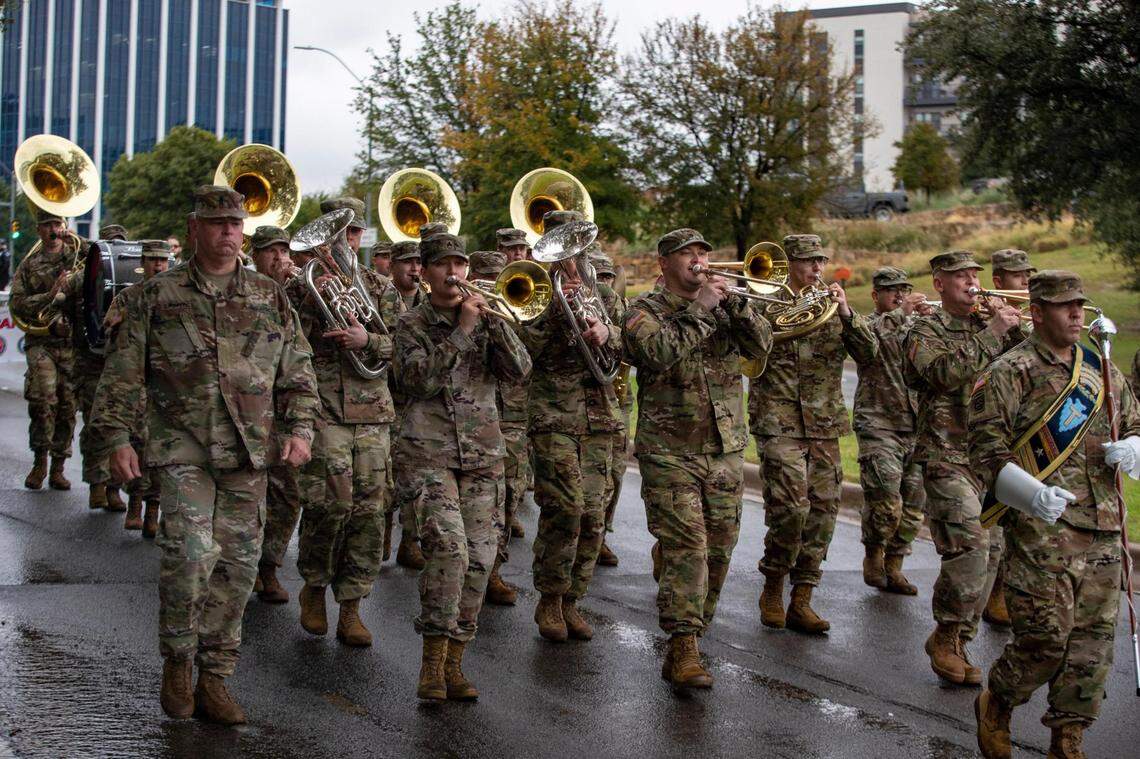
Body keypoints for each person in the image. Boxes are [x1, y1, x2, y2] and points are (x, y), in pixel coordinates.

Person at [91, 185, 318, 725]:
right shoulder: (157, 296)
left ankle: (216, 676)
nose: (228, 233)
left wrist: (301, 429)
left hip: (249, 452)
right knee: (190, 556)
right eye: (217, 223)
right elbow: (122, 375)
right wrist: (116, 439)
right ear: (195, 228)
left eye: (235, 224)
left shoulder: (269, 295)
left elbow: (298, 370)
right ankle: (178, 660)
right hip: (182, 447)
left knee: (238, 569)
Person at [968, 270, 1140, 759]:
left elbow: (1135, 420)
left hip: (1105, 527)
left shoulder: (1101, 368)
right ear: (1038, 312)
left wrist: (1132, 447)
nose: (1076, 314)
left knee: (1092, 645)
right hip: (1043, 528)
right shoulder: (1009, 371)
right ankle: (998, 701)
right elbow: (983, 450)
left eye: (1080, 305)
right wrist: (1027, 492)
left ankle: (1068, 735)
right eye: (1065, 306)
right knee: (1046, 637)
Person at [623, 228, 772, 689]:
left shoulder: (727, 306)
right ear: (664, 263)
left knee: (722, 548)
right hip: (669, 450)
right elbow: (655, 353)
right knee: (691, 548)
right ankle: (683, 645)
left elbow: (762, 347)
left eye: (703, 253)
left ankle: (695, 625)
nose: (698, 260)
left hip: (726, 447)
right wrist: (701, 308)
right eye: (686, 254)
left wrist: (738, 306)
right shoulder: (643, 311)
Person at [393, 232, 531, 701]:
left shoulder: (486, 316)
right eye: (443, 265)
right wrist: (463, 332)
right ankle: (431, 662)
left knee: (480, 559)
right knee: (449, 552)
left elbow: (519, 371)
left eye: (460, 264)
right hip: (427, 454)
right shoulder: (410, 324)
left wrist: (496, 325)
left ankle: (456, 661)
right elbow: (416, 379)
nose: (454, 273)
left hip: (482, 455)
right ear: (427, 272)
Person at [903, 249, 1025, 687]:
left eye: (975, 274)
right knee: (971, 545)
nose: (972, 283)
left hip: (991, 456)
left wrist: (1013, 327)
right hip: (945, 454)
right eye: (961, 277)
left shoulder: (990, 324)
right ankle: (948, 634)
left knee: (992, 553)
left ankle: (959, 639)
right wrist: (993, 331)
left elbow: (1028, 368)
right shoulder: (925, 328)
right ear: (939, 283)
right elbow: (941, 374)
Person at [753, 234, 877, 635]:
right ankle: (773, 584)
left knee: (824, 510)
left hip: (823, 424)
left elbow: (870, 355)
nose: (817, 269)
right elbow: (749, 345)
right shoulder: (764, 301)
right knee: (790, 507)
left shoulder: (831, 306)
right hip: (779, 419)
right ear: (788, 264)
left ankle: (802, 596)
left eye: (820, 261)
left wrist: (845, 314)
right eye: (808, 262)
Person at [522, 209, 624, 643]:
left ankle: (572, 599)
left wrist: (607, 332)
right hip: (553, 416)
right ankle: (549, 596)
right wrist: (556, 313)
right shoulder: (533, 291)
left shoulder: (602, 291)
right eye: (563, 244)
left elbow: (630, 343)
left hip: (600, 416)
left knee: (594, 516)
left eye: (577, 244)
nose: (571, 254)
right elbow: (525, 351)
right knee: (565, 509)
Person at [294, 212, 395, 648]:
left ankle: (352, 606)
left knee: (370, 512)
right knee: (330, 505)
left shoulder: (379, 288)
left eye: (353, 232)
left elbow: (403, 345)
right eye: (340, 233)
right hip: (323, 409)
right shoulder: (302, 286)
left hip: (373, 411)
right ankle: (315, 585)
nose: (347, 241)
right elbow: (286, 342)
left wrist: (367, 341)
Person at [852, 267, 928, 594]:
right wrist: (901, 313)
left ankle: (895, 564)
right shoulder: (867, 325)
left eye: (903, 290)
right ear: (875, 296)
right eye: (891, 291)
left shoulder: (917, 325)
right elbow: (869, 342)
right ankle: (873, 552)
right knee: (885, 499)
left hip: (917, 426)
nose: (898, 296)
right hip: (878, 423)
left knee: (913, 506)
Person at [243, 226, 304, 602]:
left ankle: (270, 567)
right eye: (271, 252)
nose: (280, 259)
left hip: (285, 408)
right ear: (256, 256)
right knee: (248, 494)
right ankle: (243, 567)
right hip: (248, 410)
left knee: (287, 494)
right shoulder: (243, 290)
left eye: (285, 251)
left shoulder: (298, 291)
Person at [465, 250, 526, 606]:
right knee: (474, 507)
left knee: (509, 498)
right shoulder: (463, 312)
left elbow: (523, 364)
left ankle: (494, 571)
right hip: (474, 421)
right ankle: (467, 571)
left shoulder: (519, 311)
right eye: (484, 281)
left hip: (515, 416)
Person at [100, 240, 173, 535]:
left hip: (168, 382)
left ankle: (153, 509)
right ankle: (136, 504)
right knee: (141, 442)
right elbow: (107, 334)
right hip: (138, 380)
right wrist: (115, 324)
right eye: (152, 260)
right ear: (143, 263)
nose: (157, 265)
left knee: (162, 447)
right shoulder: (128, 296)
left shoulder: (175, 296)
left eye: (163, 260)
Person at [980, 248, 1036, 628]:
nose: (1027, 283)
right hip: (985, 432)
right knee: (988, 532)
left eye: (1029, 276)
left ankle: (1002, 595)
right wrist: (994, 323)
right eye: (1019, 278)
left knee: (1019, 525)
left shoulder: (1029, 320)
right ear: (999, 281)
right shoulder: (982, 316)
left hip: (1021, 430)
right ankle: (970, 611)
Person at [9, 207, 81, 491]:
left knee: (67, 406)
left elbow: (97, 277)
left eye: (57, 224)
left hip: (71, 342)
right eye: (47, 225)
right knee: (42, 401)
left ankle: (59, 466)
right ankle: (40, 461)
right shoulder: (30, 263)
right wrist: (48, 296)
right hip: (42, 342)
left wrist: (78, 242)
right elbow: (17, 303)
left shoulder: (76, 256)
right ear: (39, 229)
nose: (53, 230)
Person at [379, 240, 428, 569]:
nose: (413, 268)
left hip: (419, 401)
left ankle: (410, 541)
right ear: (392, 265)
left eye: (418, 262)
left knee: (416, 474)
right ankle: (382, 533)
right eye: (407, 262)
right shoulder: (379, 296)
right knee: (386, 474)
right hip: (388, 398)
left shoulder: (430, 301)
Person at [589, 248, 630, 568]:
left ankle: (602, 533)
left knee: (615, 472)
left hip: (619, 401)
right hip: (585, 403)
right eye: (598, 277)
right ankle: (588, 532)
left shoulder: (622, 305)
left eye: (607, 278)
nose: (603, 284)